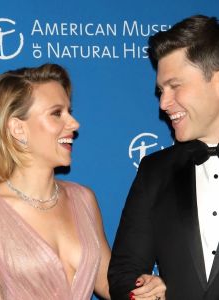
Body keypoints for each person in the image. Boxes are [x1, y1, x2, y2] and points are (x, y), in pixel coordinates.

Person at [0, 63, 165, 300]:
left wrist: (143, 289)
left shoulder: (84, 199)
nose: (74, 124)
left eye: (69, 111)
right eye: (57, 113)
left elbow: (110, 284)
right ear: (17, 128)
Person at [108, 15, 219, 300]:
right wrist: (144, 290)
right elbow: (124, 273)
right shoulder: (154, 171)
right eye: (161, 90)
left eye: (175, 86)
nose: (163, 103)